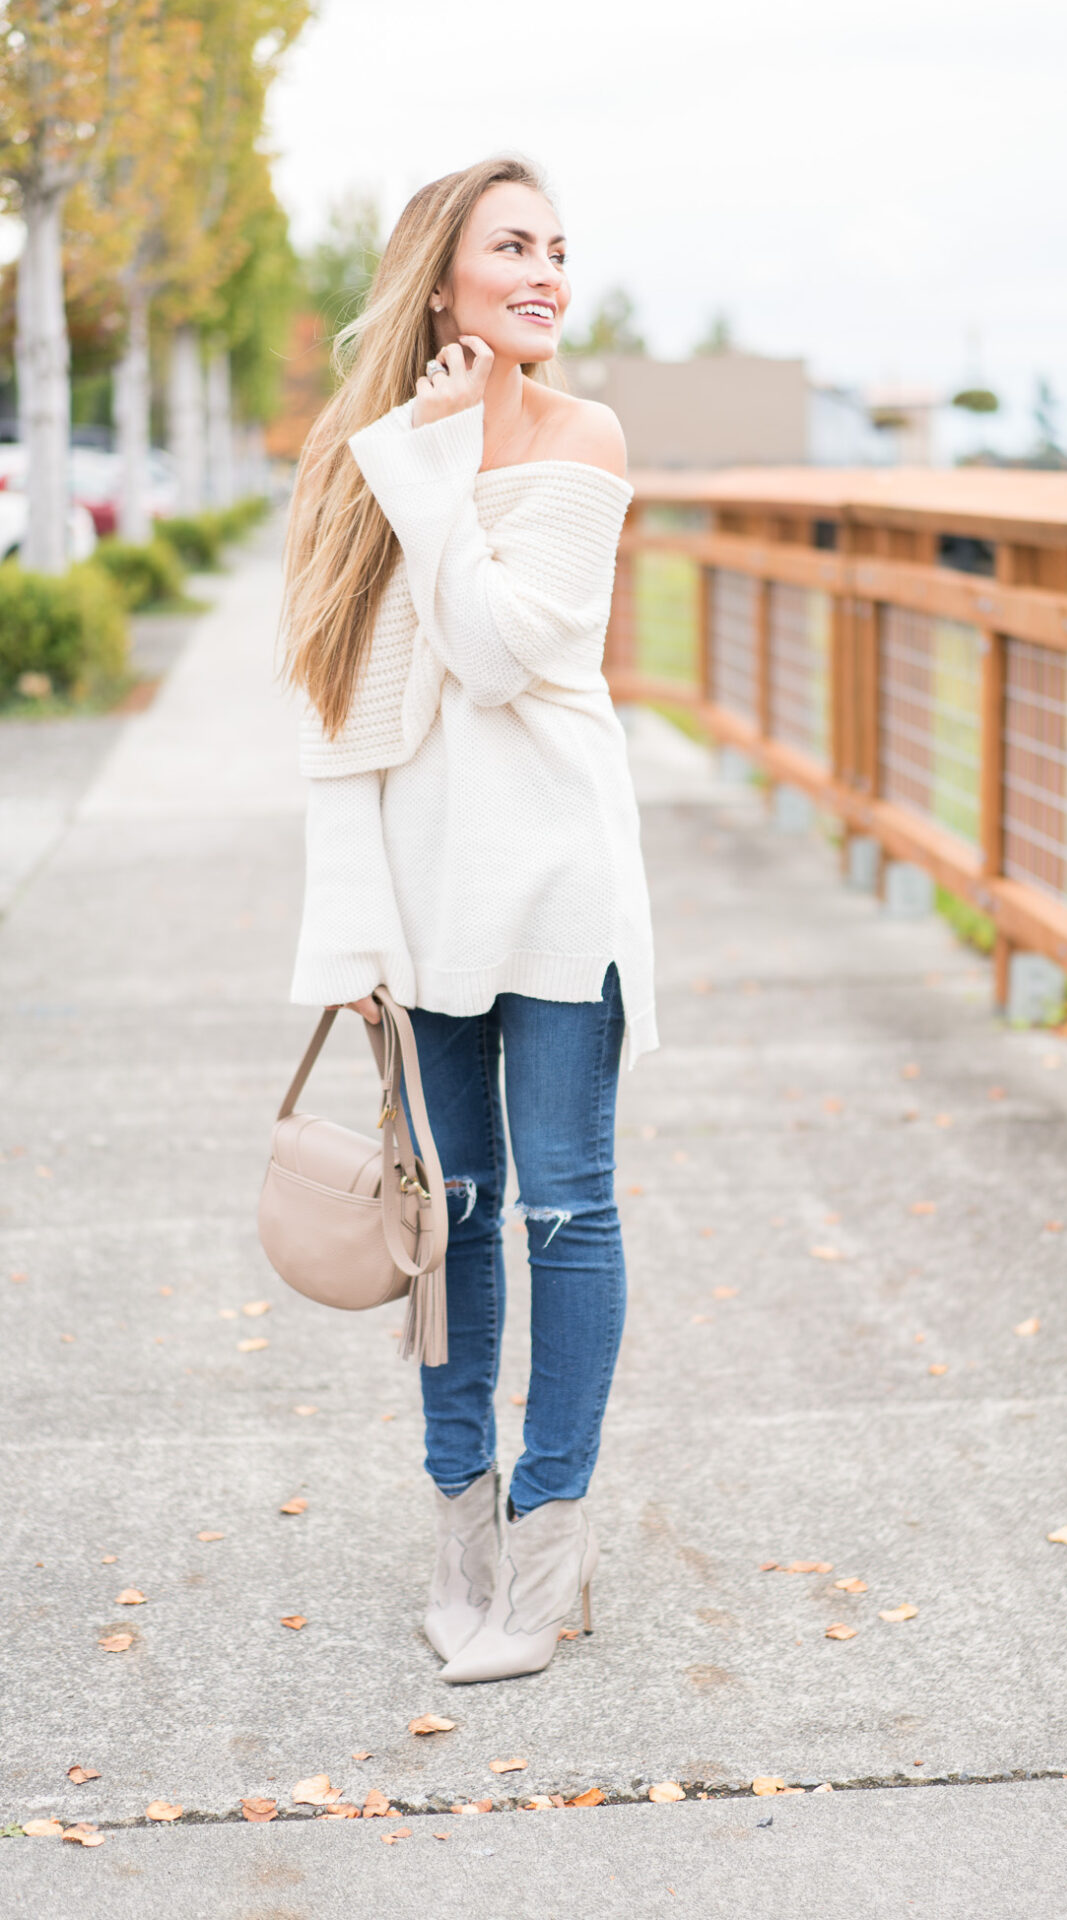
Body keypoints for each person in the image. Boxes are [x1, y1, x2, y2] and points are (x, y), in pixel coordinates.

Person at [282, 155, 656, 1684]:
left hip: (560, 883)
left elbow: (500, 655)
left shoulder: (581, 438)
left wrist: (436, 473)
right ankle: (462, 1532)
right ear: (442, 278)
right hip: (424, 903)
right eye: (514, 246)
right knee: (450, 1226)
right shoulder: (364, 452)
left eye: (559, 248)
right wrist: (351, 935)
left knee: (563, 1206)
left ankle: (551, 1544)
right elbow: (329, 716)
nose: (547, 272)